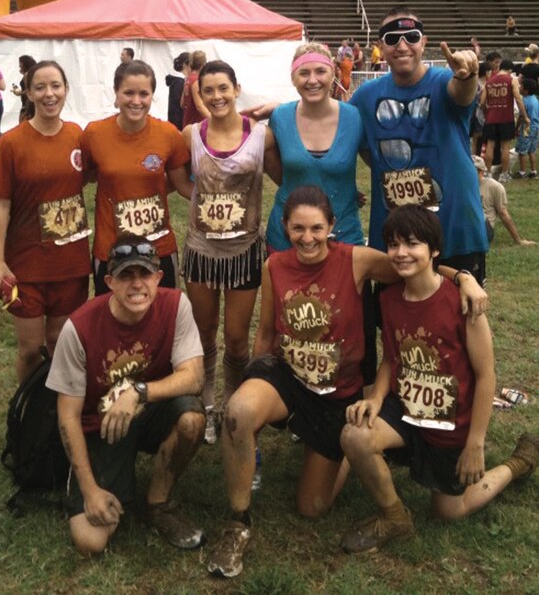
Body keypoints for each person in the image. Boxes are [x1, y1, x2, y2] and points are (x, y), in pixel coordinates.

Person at [206, 188, 488, 578]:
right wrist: (257, 377)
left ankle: (343, 457)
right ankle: (237, 524)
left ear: (331, 227)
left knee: (312, 508)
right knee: (238, 411)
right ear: (285, 228)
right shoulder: (275, 266)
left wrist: (464, 277)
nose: (307, 237)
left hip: (336, 395)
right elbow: (268, 330)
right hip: (287, 378)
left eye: (316, 228)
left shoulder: (356, 260)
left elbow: (413, 263)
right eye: (298, 228)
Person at [340, 205, 538, 556]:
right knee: (354, 434)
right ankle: (395, 516)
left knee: (449, 510)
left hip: (450, 427)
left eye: (412, 244)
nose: (401, 253)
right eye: (393, 244)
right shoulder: (387, 298)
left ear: (433, 250)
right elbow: (391, 357)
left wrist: (475, 443)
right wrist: (375, 398)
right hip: (405, 411)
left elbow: (485, 375)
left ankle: (518, 463)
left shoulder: (464, 304)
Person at [46, 236, 206, 556]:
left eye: (144, 274)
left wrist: (138, 392)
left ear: (159, 277)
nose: (137, 285)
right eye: (125, 276)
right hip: (101, 424)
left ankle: (158, 503)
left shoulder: (176, 305)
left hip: (147, 410)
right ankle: (88, 477)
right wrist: (90, 489)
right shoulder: (78, 329)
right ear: (109, 282)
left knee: (192, 419)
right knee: (89, 542)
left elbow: (194, 377)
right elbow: (67, 415)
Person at [351, 6, 489, 283]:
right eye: (392, 38)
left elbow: (461, 96)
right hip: (396, 235)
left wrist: (467, 76)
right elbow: (358, 143)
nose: (402, 45)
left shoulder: (444, 82)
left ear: (423, 42)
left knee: (460, 315)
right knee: (397, 322)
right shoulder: (365, 96)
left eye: (411, 37)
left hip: (454, 226)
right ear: (381, 46)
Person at [182, 60, 280, 444]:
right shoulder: (190, 134)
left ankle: (233, 408)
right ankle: (206, 405)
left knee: (237, 338)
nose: (217, 96)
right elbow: (177, 176)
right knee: (205, 334)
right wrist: (202, 201)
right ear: (200, 95)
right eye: (209, 90)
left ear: (236, 89)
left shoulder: (261, 136)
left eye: (223, 88)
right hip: (202, 251)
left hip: (243, 253)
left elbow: (281, 176)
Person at [0, 61, 90, 380]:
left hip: (70, 263)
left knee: (61, 341)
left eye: (56, 86)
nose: (49, 94)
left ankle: (57, 410)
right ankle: (27, 412)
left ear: (66, 90)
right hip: (27, 263)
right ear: (28, 93)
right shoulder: (11, 143)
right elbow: (1, 204)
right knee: (31, 349)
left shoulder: (77, 136)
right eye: (41, 87)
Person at [82, 60, 192, 296]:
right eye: (128, 92)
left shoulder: (168, 134)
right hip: (111, 248)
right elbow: (83, 178)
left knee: (163, 318)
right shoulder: (94, 134)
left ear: (153, 95)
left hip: (158, 247)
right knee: (112, 320)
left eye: (144, 93)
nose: (136, 100)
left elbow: (183, 185)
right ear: (116, 93)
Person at [266, 43, 364, 254]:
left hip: (342, 234)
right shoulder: (280, 117)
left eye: (320, 71)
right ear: (293, 78)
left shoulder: (354, 117)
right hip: (288, 236)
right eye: (304, 73)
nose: (312, 80)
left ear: (334, 74)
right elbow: (276, 171)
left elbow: (377, 161)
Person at [480, 59, 529, 182]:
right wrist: (525, 116)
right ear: (510, 70)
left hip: (491, 118)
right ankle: (504, 174)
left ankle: (488, 173)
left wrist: (487, 112)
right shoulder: (511, 80)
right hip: (506, 118)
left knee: (490, 145)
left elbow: (481, 102)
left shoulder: (489, 81)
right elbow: (518, 99)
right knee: (505, 147)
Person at [472, 155, 535, 246]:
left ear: (481, 171)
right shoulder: (459, 186)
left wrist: (518, 240)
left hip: (483, 228)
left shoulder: (494, 187)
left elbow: (503, 213)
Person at [514, 77, 538, 178]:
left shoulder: (524, 100)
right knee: (531, 150)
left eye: (521, 86)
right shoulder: (535, 99)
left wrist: (517, 128)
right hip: (536, 127)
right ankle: (533, 171)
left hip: (527, 127)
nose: (519, 87)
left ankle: (522, 172)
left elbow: (522, 116)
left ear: (526, 90)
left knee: (522, 151)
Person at [181, 50, 208, 128]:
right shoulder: (196, 81)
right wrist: (214, 119)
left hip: (187, 122)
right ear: (203, 65)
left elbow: (182, 103)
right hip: (196, 125)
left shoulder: (187, 79)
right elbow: (199, 106)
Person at [165, 51, 191, 130]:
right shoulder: (179, 82)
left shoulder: (181, 80)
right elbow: (176, 107)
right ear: (185, 65)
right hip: (178, 124)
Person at [10, 54, 36, 122]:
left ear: (25, 64)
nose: (19, 65)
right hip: (29, 103)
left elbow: (30, 90)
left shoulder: (27, 75)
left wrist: (19, 93)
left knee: (23, 124)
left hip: (27, 104)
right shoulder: (31, 74)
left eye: (20, 63)